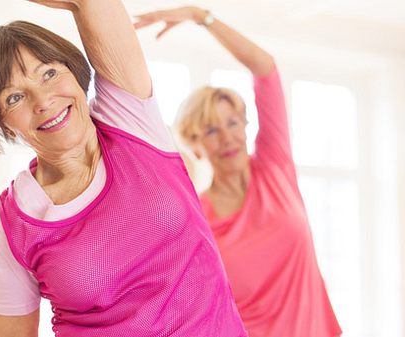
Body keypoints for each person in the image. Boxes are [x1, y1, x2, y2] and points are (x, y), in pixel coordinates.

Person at [0, 1, 248, 336]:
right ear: (3, 124)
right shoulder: (12, 224)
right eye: (15, 96)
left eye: (49, 73)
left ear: (74, 73)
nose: (43, 100)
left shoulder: (131, 121)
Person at [135, 6, 342, 337]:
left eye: (232, 123)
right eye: (212, 130)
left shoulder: (276, 169)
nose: (228, 136)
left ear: (246, 124)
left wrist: (200, 17)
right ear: (195, 142)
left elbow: (266, 69)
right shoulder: (197, 215)